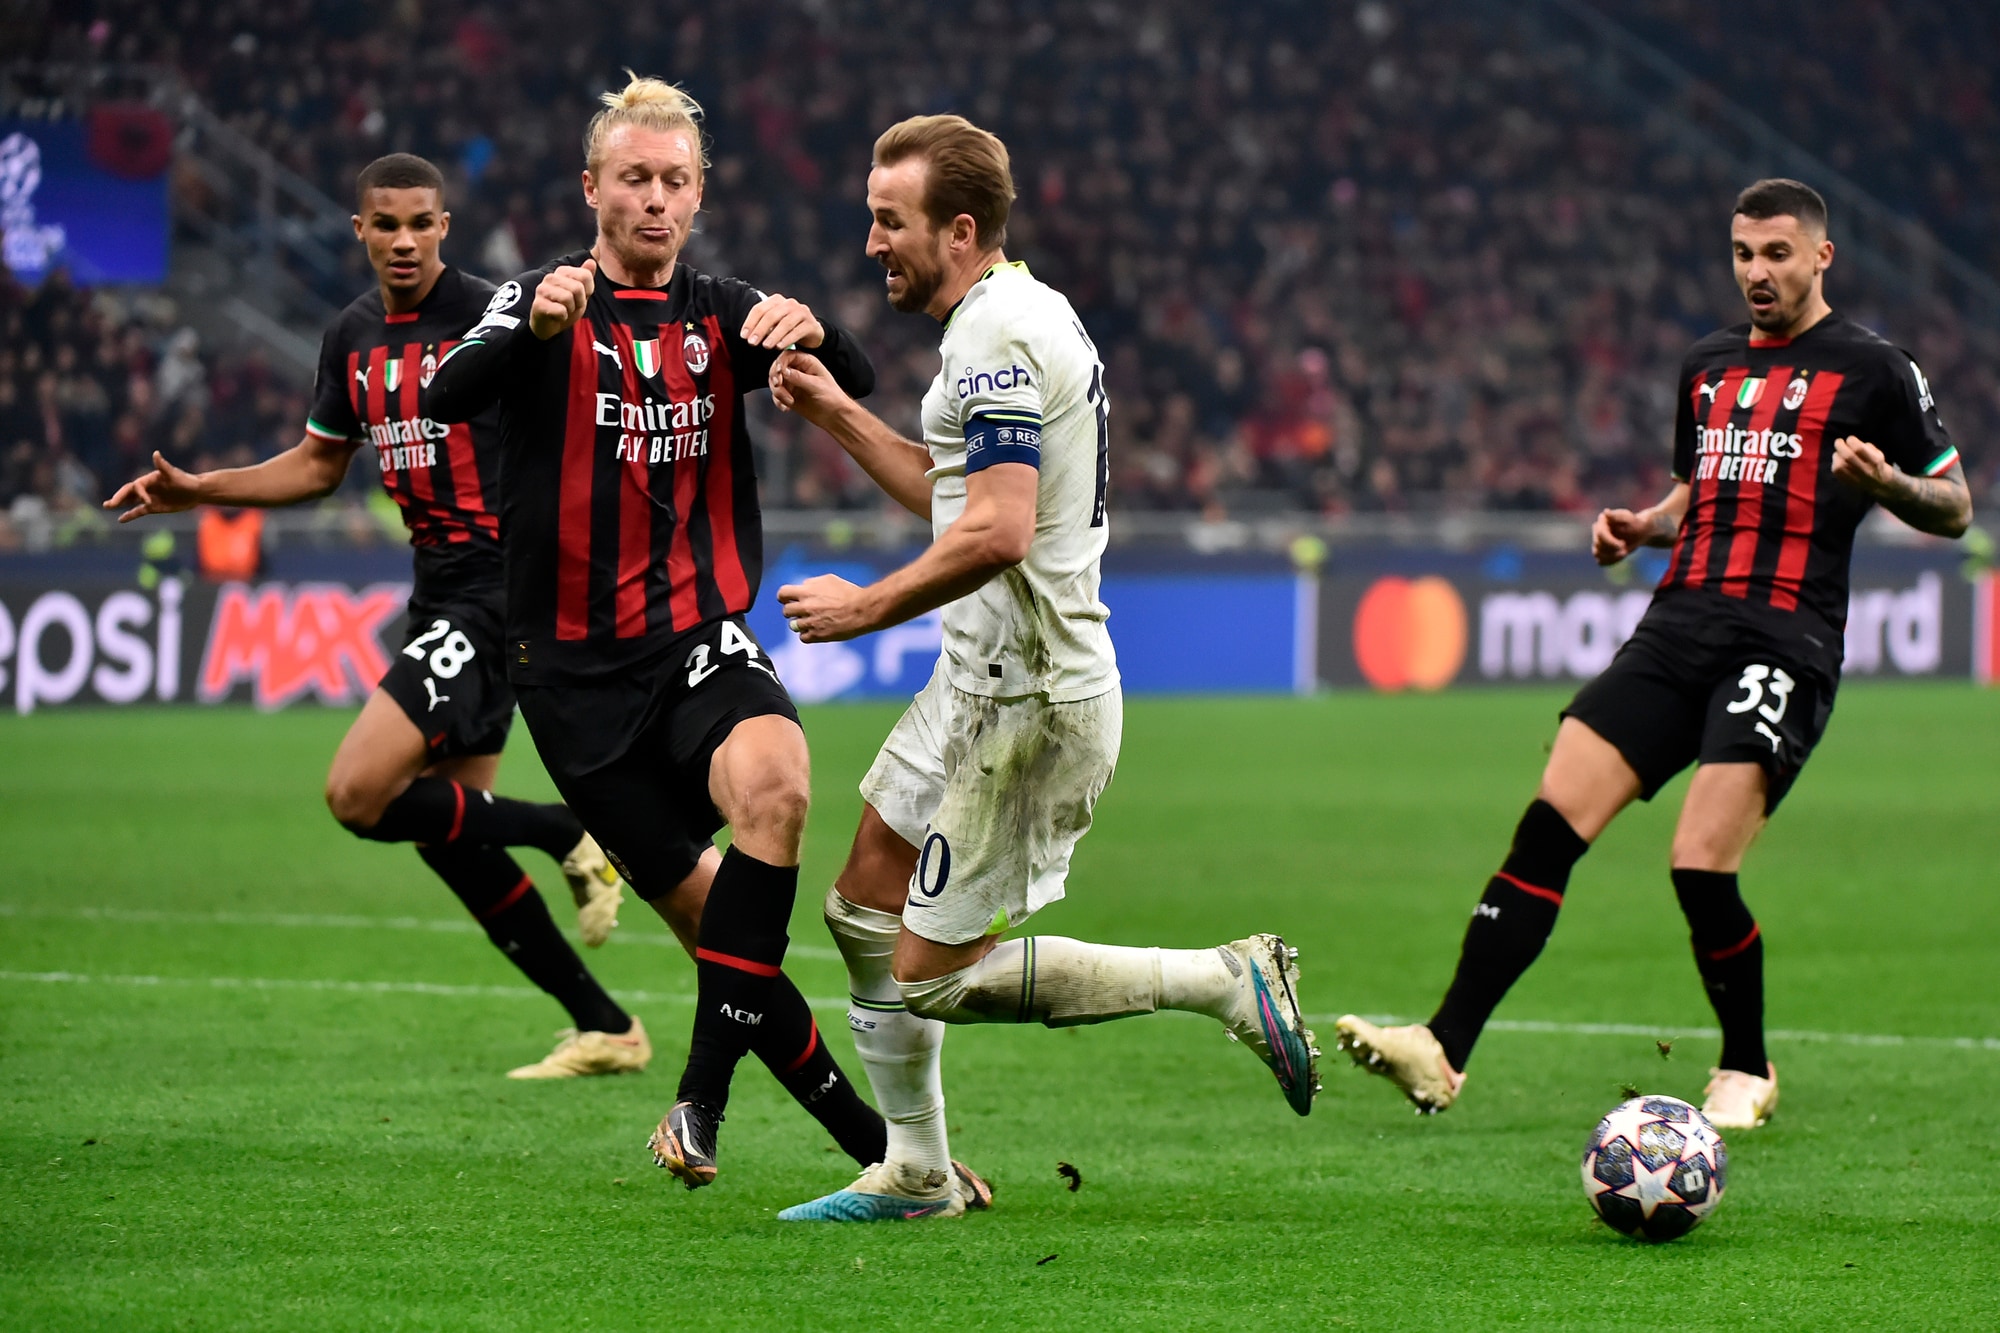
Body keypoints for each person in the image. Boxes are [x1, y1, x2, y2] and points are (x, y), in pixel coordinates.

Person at [424, 76, 990, 1208]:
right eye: (634, 178)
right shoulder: (540, 300)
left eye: (675, 181)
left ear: (698, 197)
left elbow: (857, 372)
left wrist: (812, 328)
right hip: (571, 681)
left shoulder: (723, 310)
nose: (655, 199)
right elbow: (446, 393)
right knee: (722, 939)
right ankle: (881, 1148)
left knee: (777, 788)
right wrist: (530, 328)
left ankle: (700, 1100)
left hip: (695, 637)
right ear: (592, 188)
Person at [765, 114, 1322, 1223]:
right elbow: (954, 492)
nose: (872, 242)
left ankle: (1224, 979)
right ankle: (916, 1170)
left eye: (890, 220)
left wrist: (865, 608)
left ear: (959, 230)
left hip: (1031, 701)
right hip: (975, 682)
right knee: (860, 907)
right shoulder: (1004, 314)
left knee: (930, 974)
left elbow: (1000, 528)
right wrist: (835, 412)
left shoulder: (998, 334)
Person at [1335, 179, 1972, 1129]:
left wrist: (1890, 485)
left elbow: (1954, 505)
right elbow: (1697, 494)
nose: (1757, 272)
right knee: (1549, 824)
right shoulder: (1706, 366)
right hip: (1676, 627)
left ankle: (1747, 1066)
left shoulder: (1876, 370)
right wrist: (1644, 525)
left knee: (1699, 861)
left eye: (1778, 253)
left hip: (1783, 639)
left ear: (1822, 256)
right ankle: (1443, 1046)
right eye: (1744, 254)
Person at [106, 154, 645, 1081]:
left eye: (420, 223)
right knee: (452, 833)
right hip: (436, 590)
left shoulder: (494, 314)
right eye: (385, 224)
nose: (404, 240)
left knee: (358, 793)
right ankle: (607, 1027)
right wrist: (204, 490)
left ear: (445, 228)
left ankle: (568, 831)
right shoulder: (350, 335)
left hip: (500, 587)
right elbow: (319, 465)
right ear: (358, 229)